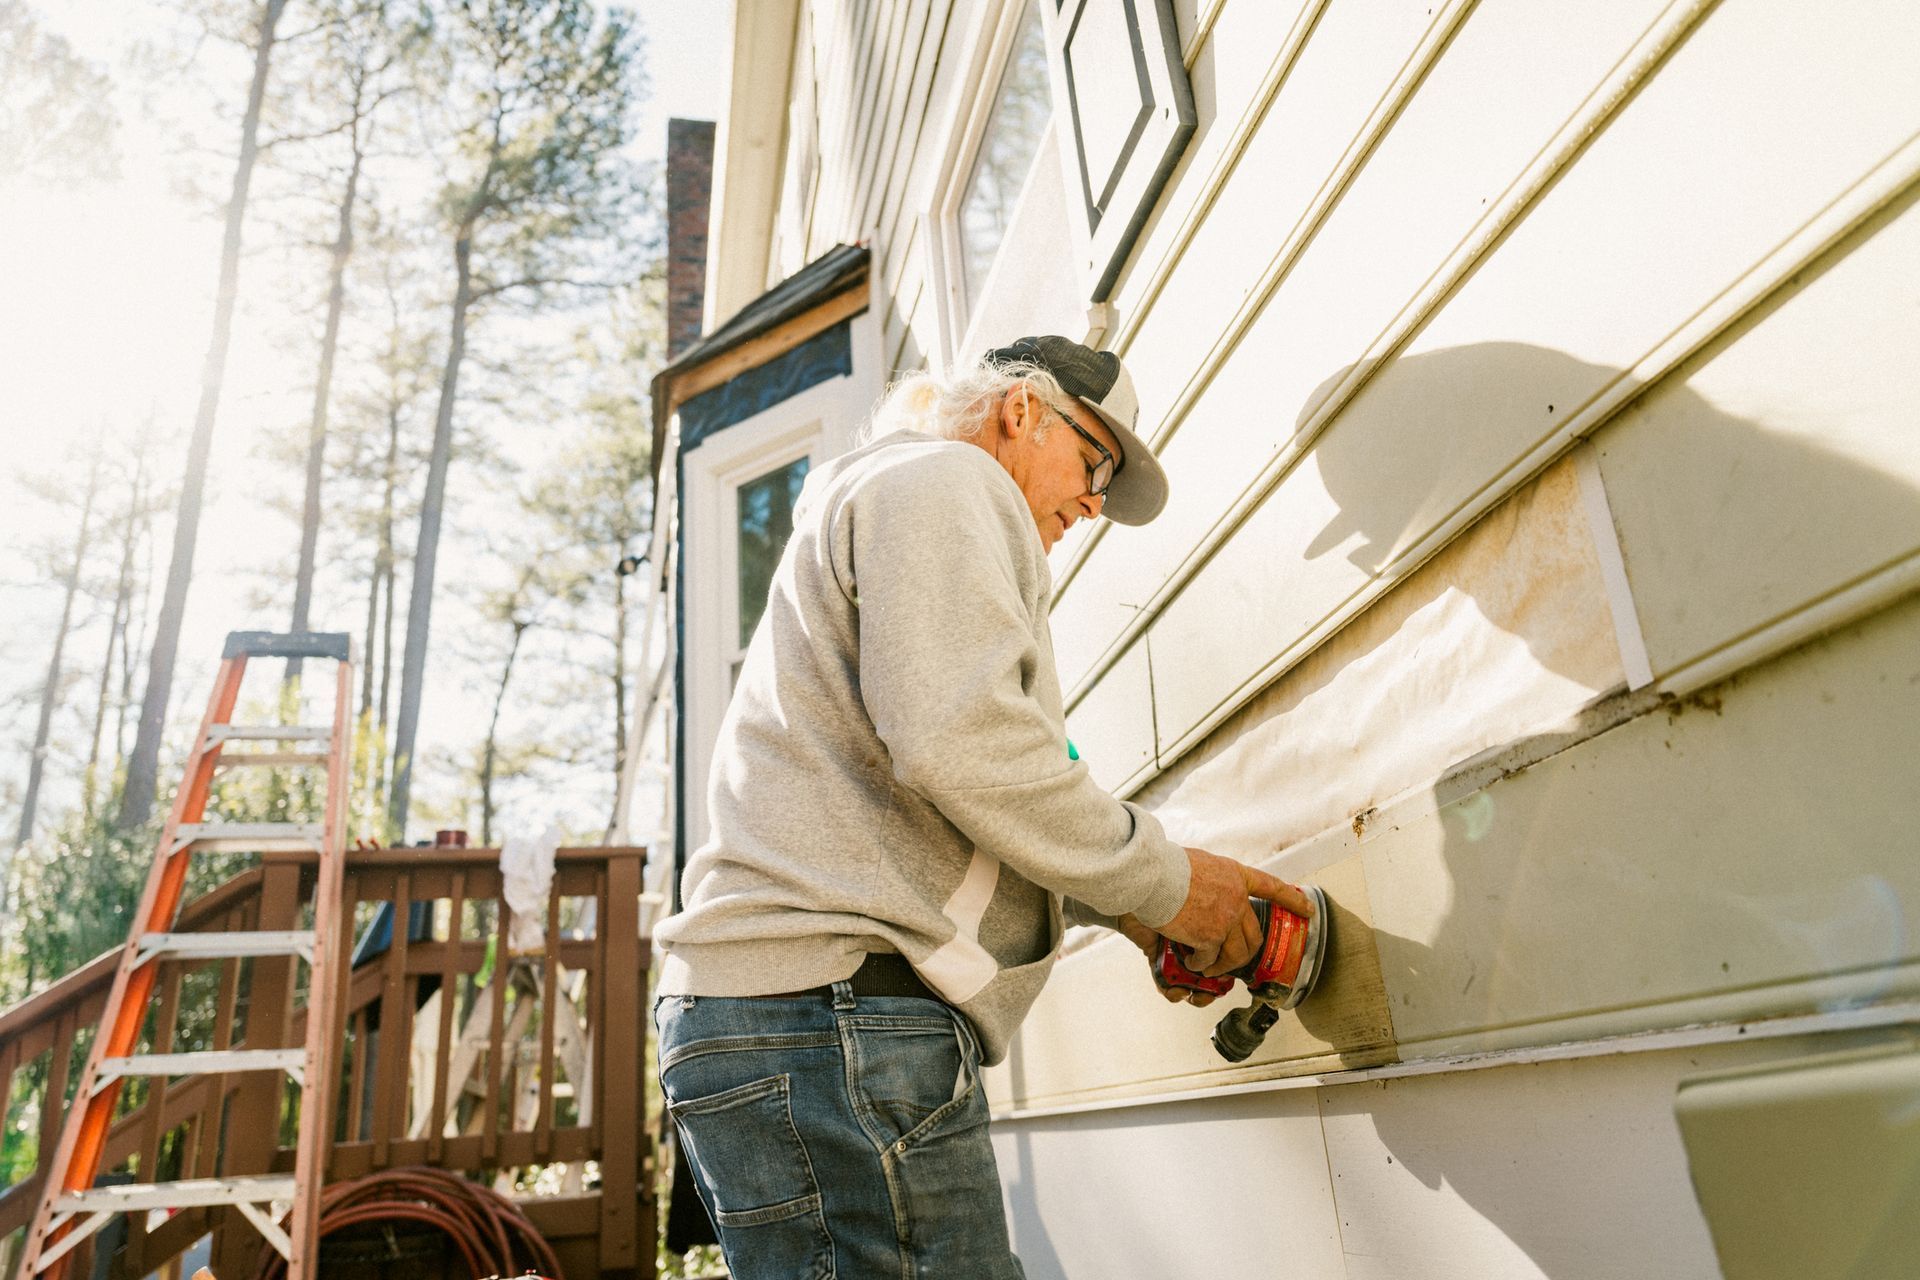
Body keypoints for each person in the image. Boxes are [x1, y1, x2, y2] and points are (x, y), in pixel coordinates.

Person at [653, 335, 1316, 1278]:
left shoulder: (893, 500)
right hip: (834, 1020)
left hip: (781, 1020)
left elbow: (965, 782)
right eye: (1095, 464)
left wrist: (1124, 903)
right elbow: (960, 743)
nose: (1093, 504)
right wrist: (1170, 883)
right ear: (1021, 412)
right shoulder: (945, 483)